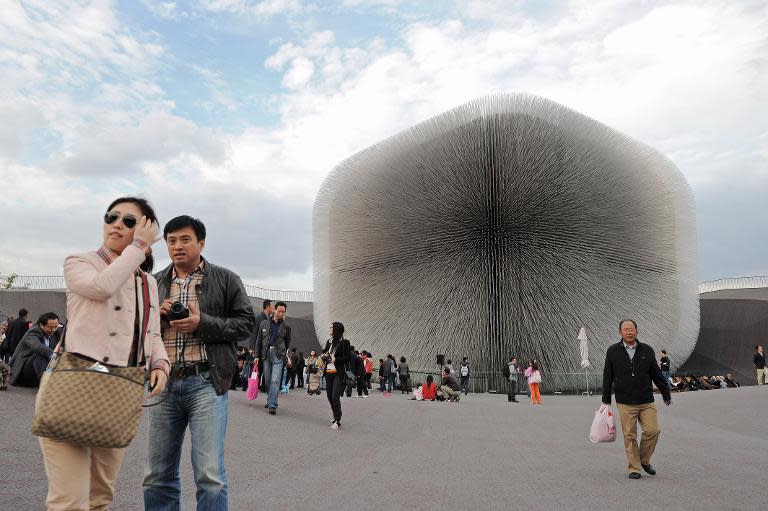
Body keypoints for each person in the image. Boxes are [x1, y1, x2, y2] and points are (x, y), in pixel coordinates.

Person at [40, 196, 170, 511]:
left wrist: (161, 364)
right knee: (69, 501)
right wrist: (137, 248)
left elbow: (151, 332)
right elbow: (102, 287)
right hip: (73, 384)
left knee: (100, 498)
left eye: (129, 221)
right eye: (111, 217)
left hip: (118, 390)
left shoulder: (148, 283)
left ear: (147, 232)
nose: (117, 224)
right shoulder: (79, 262)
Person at [144, 214, 255, 510]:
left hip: (206, 381)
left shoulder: (226, 279)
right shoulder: (154, 283)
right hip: (163, 382)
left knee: (210, 475)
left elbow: (246, 324)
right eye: (171, 241)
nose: (177, 246)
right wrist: (160, 317)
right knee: (157, 474)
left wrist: (201, 322)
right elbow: (139, 330)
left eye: (185, 239)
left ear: (201, 243)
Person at [602, 319, 671, 480]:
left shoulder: (647, 350)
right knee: (630, 435)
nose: (629, 331)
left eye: (631, 329)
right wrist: (606, 399)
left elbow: (656, 374)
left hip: (646, 400)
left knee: (653, 431)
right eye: (625, 329)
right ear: (620, 333)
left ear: (637, 332)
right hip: (625, 401)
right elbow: (607, 376)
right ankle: (634, 468)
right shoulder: (612, 351)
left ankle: (644, 460)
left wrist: (666, 394)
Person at [255, 302, 291, 415]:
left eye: (283, 312)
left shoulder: (286, 327)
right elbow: (259, 341)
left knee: (275, 381)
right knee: (268, 381)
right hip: (266, 355)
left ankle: (272, 404)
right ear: (274, 310)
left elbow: (287, 342)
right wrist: (256, 356)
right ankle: (269, 398)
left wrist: (283, 352)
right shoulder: (264, 324)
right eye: (279, 311)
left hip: (278, 355)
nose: (281, 313)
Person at [10, 312, 59, 387]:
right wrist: (55, 355)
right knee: (41, 355)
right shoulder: (33, 332)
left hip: (35, 373)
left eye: (56, 327)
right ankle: (47, 384)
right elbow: (37, 347)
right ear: (41, 325)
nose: (53, 330)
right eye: (50, 327)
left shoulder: (55, 334)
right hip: (22, 372)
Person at [322, 322, 351, 429]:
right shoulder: (329, 342)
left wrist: (336, 359)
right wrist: (324, 355)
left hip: (338, 373)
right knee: (330, 397)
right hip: (328, 372)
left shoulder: (345, 343)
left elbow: (348, 357)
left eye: (331, 327)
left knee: (335, 396)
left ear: (336, 330)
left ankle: (337, 420)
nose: (329, 329)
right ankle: (335, 415)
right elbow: (325, 352)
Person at [248, 299, 273, 391]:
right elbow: (253, 333)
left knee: (263, 368)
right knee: (256, 368)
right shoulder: (258, 317)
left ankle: (262, 387)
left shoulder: (269, 318)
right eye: (272, 306)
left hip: (264, 349)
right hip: (257, 349)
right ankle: (252, 386)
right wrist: (251, 347)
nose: (273, 308)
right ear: (267, 307)